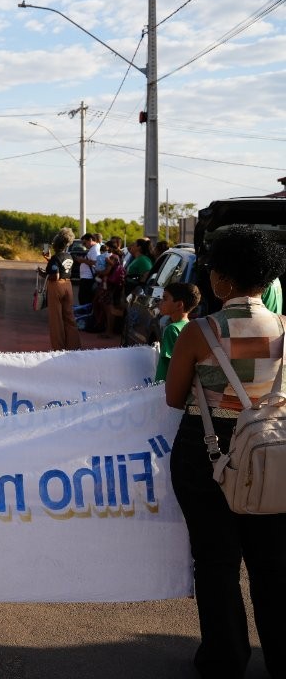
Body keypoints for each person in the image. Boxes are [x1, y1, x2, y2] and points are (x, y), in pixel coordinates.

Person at [164, 225, 286, 678]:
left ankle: (225, 659)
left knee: (216, 561)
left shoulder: (201, 332)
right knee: (273, 563)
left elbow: (174, 397)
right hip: (272, 450)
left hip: (207, 449)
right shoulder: (284, 329)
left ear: (224, 280)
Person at [39, 232, 81, 350]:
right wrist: (49, 259)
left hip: (56, 286)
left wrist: (42, 273)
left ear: (56, 245)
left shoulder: (55, 258)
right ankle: (74, 345)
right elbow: (62, 267)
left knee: (56, 319)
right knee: (69, 317)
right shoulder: (69, 256)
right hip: (68, 285)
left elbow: (55, 276)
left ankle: (58, 347)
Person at [154, 282, 200, 383]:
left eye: (165, 299)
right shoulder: (190, 327)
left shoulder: (172, 329)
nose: (160, 302)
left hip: (165, 388)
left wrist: (156, 387)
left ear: (179, 305)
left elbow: (167, 365)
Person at [75, 233, 101, 306]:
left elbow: (95, 263)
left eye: (84, 243)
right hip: (87, 278)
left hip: (88, 279)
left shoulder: (95, 249)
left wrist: (82, 260)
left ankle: (86, 312)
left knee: (84, 299)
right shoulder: (93, 248)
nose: (84, 245)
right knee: (84, 299)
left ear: (90, 240)